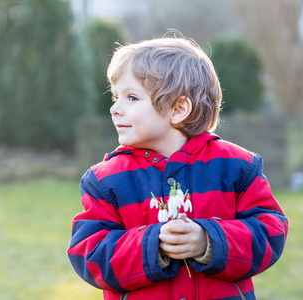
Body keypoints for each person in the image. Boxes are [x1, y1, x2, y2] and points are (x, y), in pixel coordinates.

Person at [67, 37, 288, 300]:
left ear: (178, 108)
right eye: (116, 97)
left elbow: (270, 233)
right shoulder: (105, 180)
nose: (114, 109)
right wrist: (153, 244)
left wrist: (209, 240)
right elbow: (88, 255)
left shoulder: (237, 167)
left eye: (132, 97)